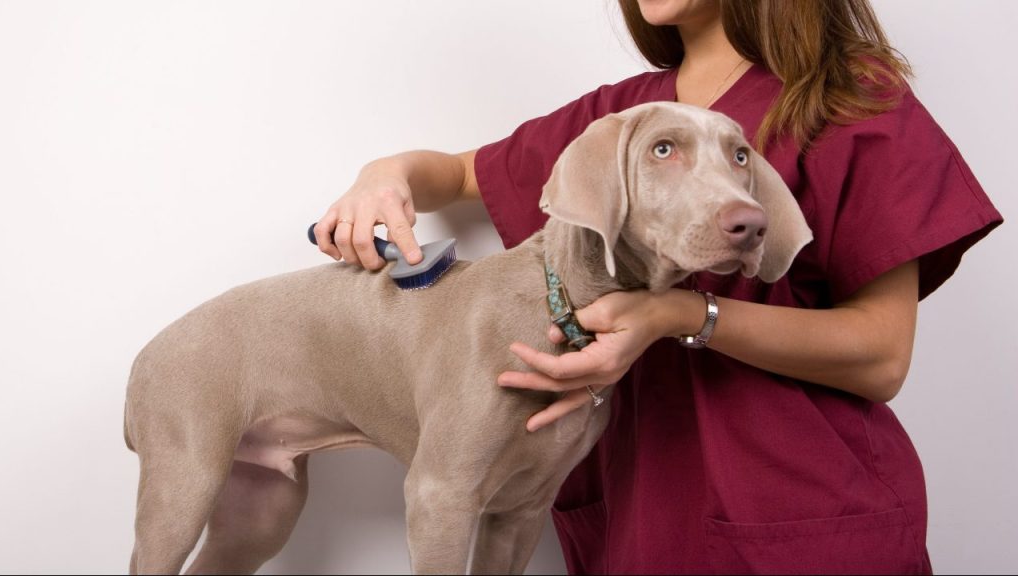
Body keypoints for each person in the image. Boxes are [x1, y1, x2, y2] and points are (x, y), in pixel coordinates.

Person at [313, 0, 1002, 572]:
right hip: (642, 529)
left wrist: (678, 313)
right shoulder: (625, 119)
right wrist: (388, 172)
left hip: (806, 516)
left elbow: (881, 356)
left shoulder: (848, 95)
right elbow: (462, 174)